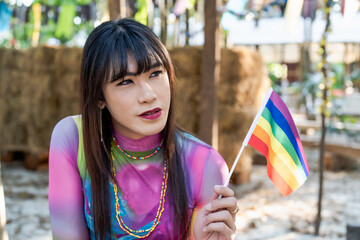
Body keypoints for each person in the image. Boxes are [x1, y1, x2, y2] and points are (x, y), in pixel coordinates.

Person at [48, 18, 238, 240]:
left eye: (155, 73)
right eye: (126, 82)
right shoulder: (74, 139)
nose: (148, 95)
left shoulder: (205, 164)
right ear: (99, 96)